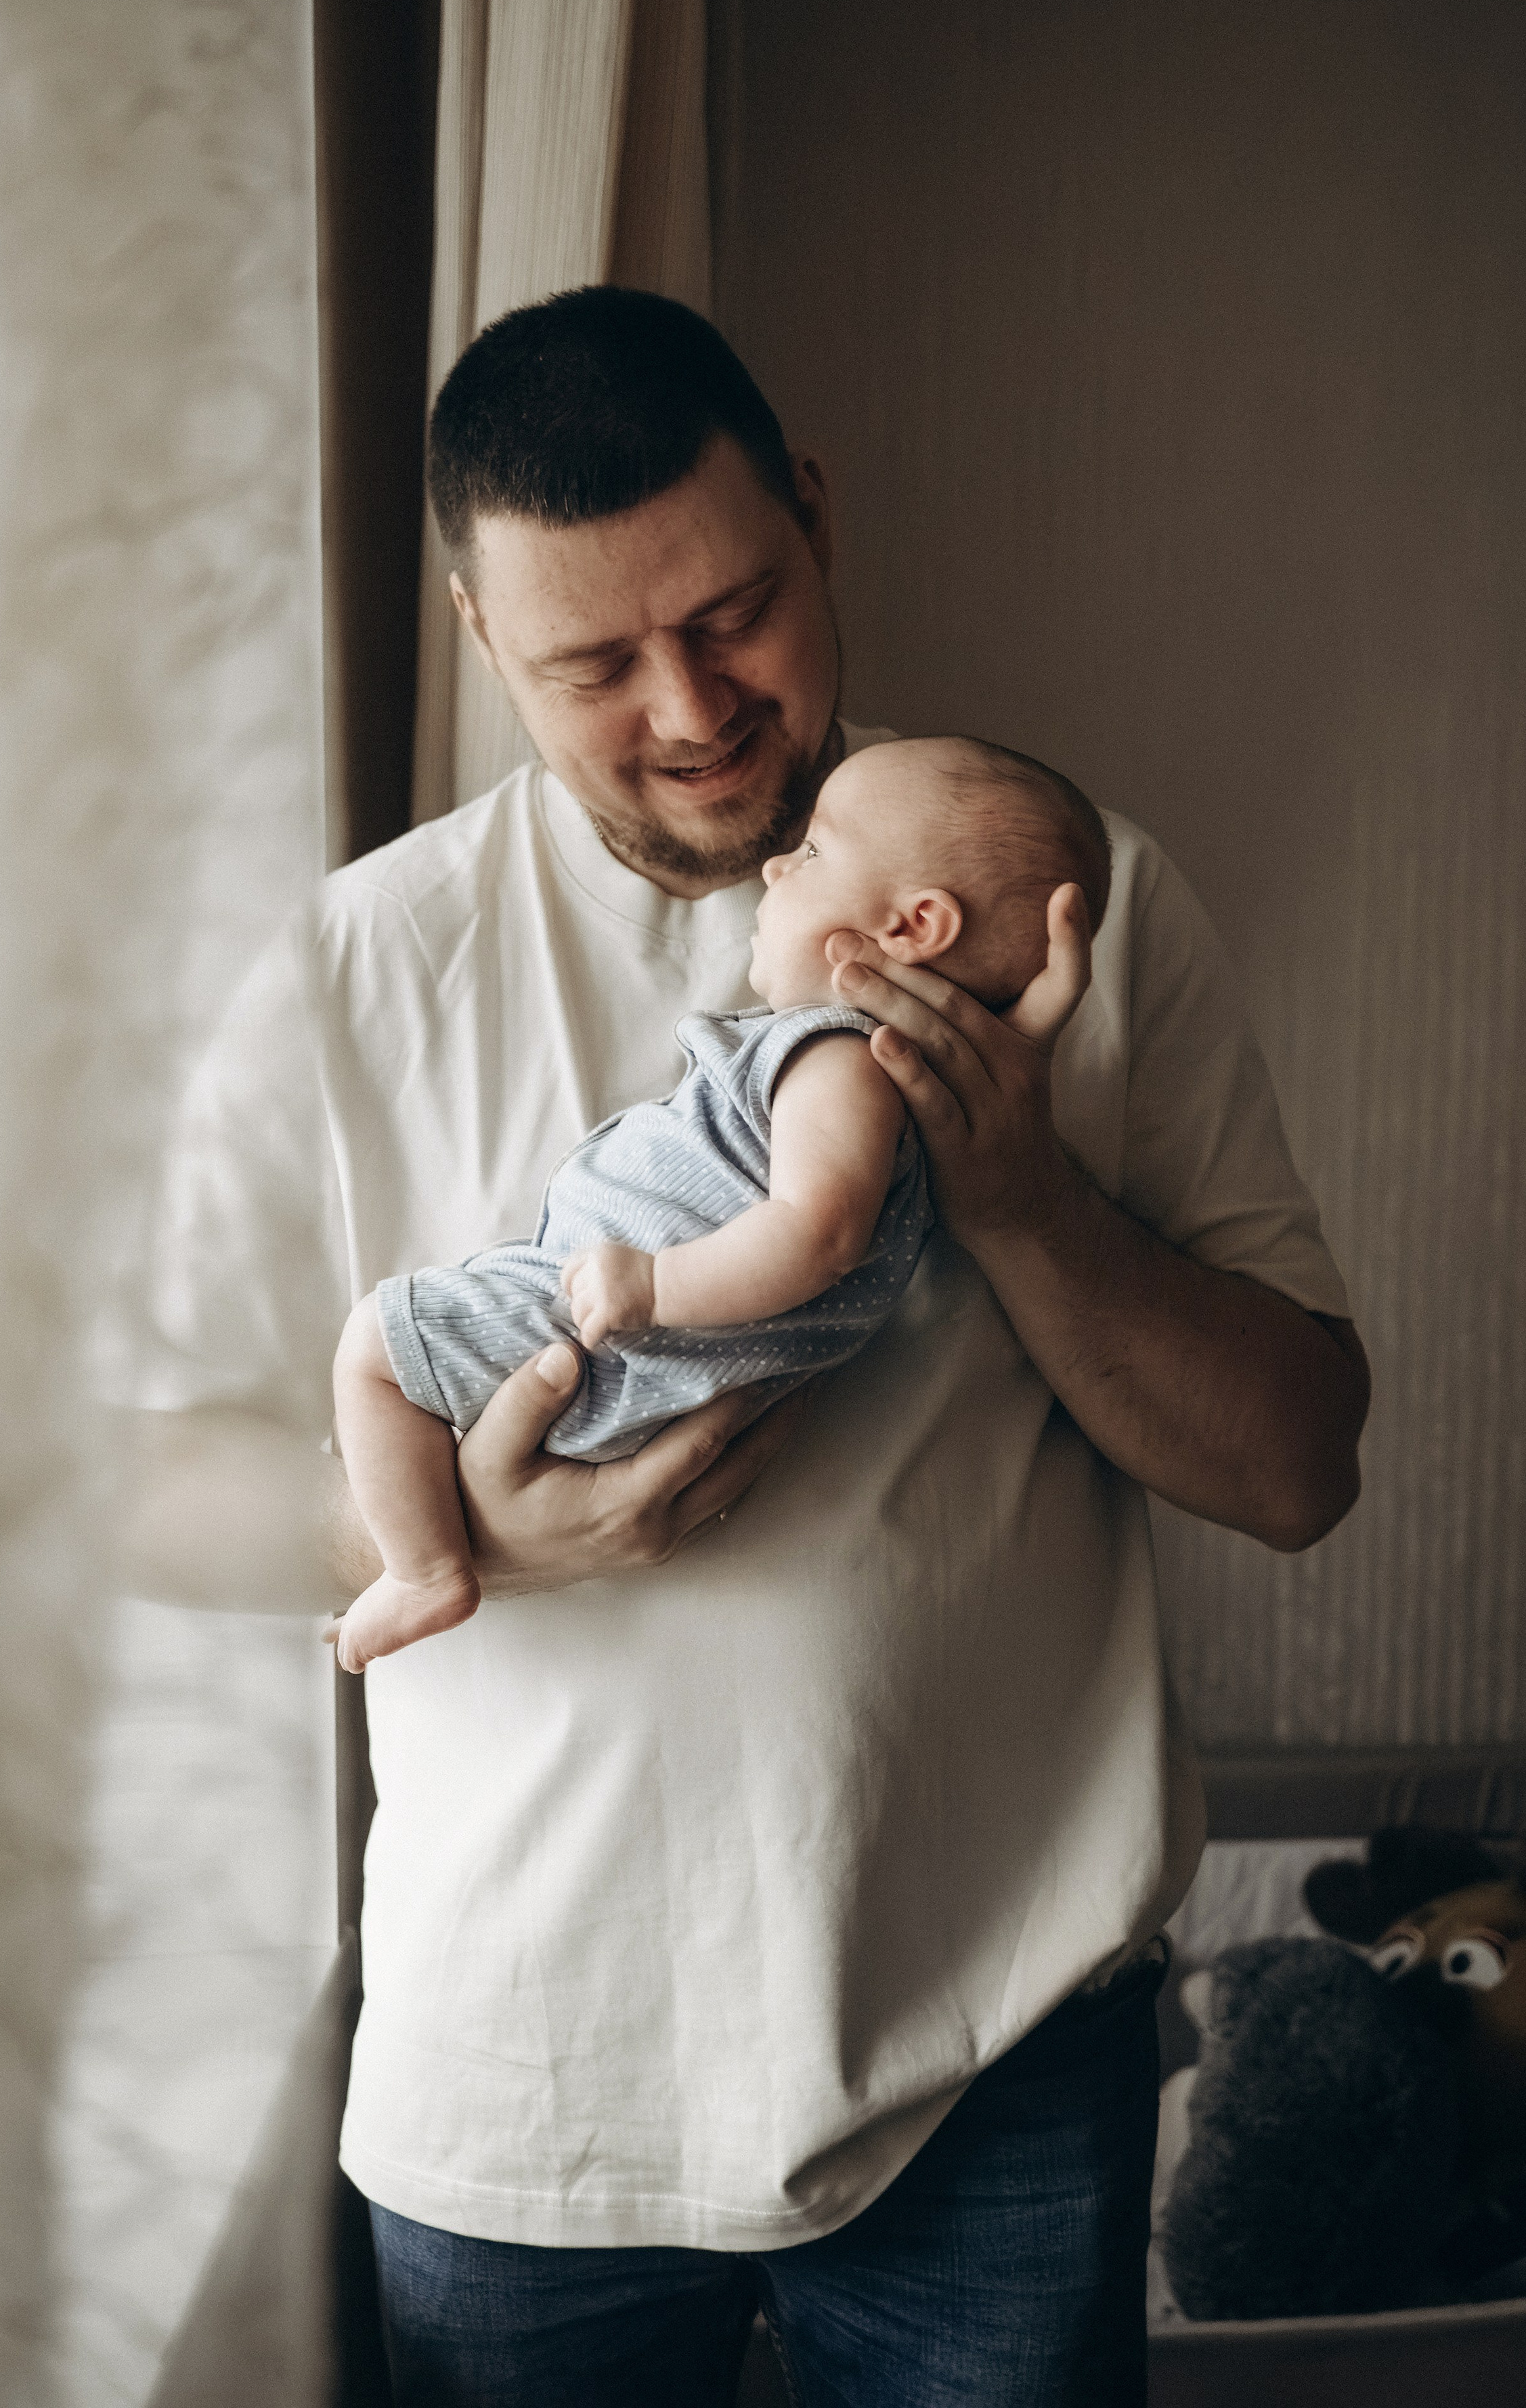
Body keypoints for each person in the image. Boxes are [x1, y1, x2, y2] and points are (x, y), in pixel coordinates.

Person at [131, 288, 1370, 2405]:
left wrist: (1022, 1202)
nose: (694, 711)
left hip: (998, 2066)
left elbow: (1297, 1465)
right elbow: (132, 1481)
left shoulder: (1061, 907)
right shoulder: (355, 972)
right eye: (594, 666)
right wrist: (473, 1536)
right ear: (475, 631)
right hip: (524, 2106)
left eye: (734, 614)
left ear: (815, 517)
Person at [327, 736, 1109, 1669]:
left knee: (374, 1345)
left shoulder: (837, 1057)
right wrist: (1014, 1029)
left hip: (616, 1337)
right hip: (639, 1346)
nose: (778, 863)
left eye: (815, 851)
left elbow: (817, 1232)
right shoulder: (904, 1092)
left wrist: (654, 1285)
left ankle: (423, 1570)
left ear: (912, 928)